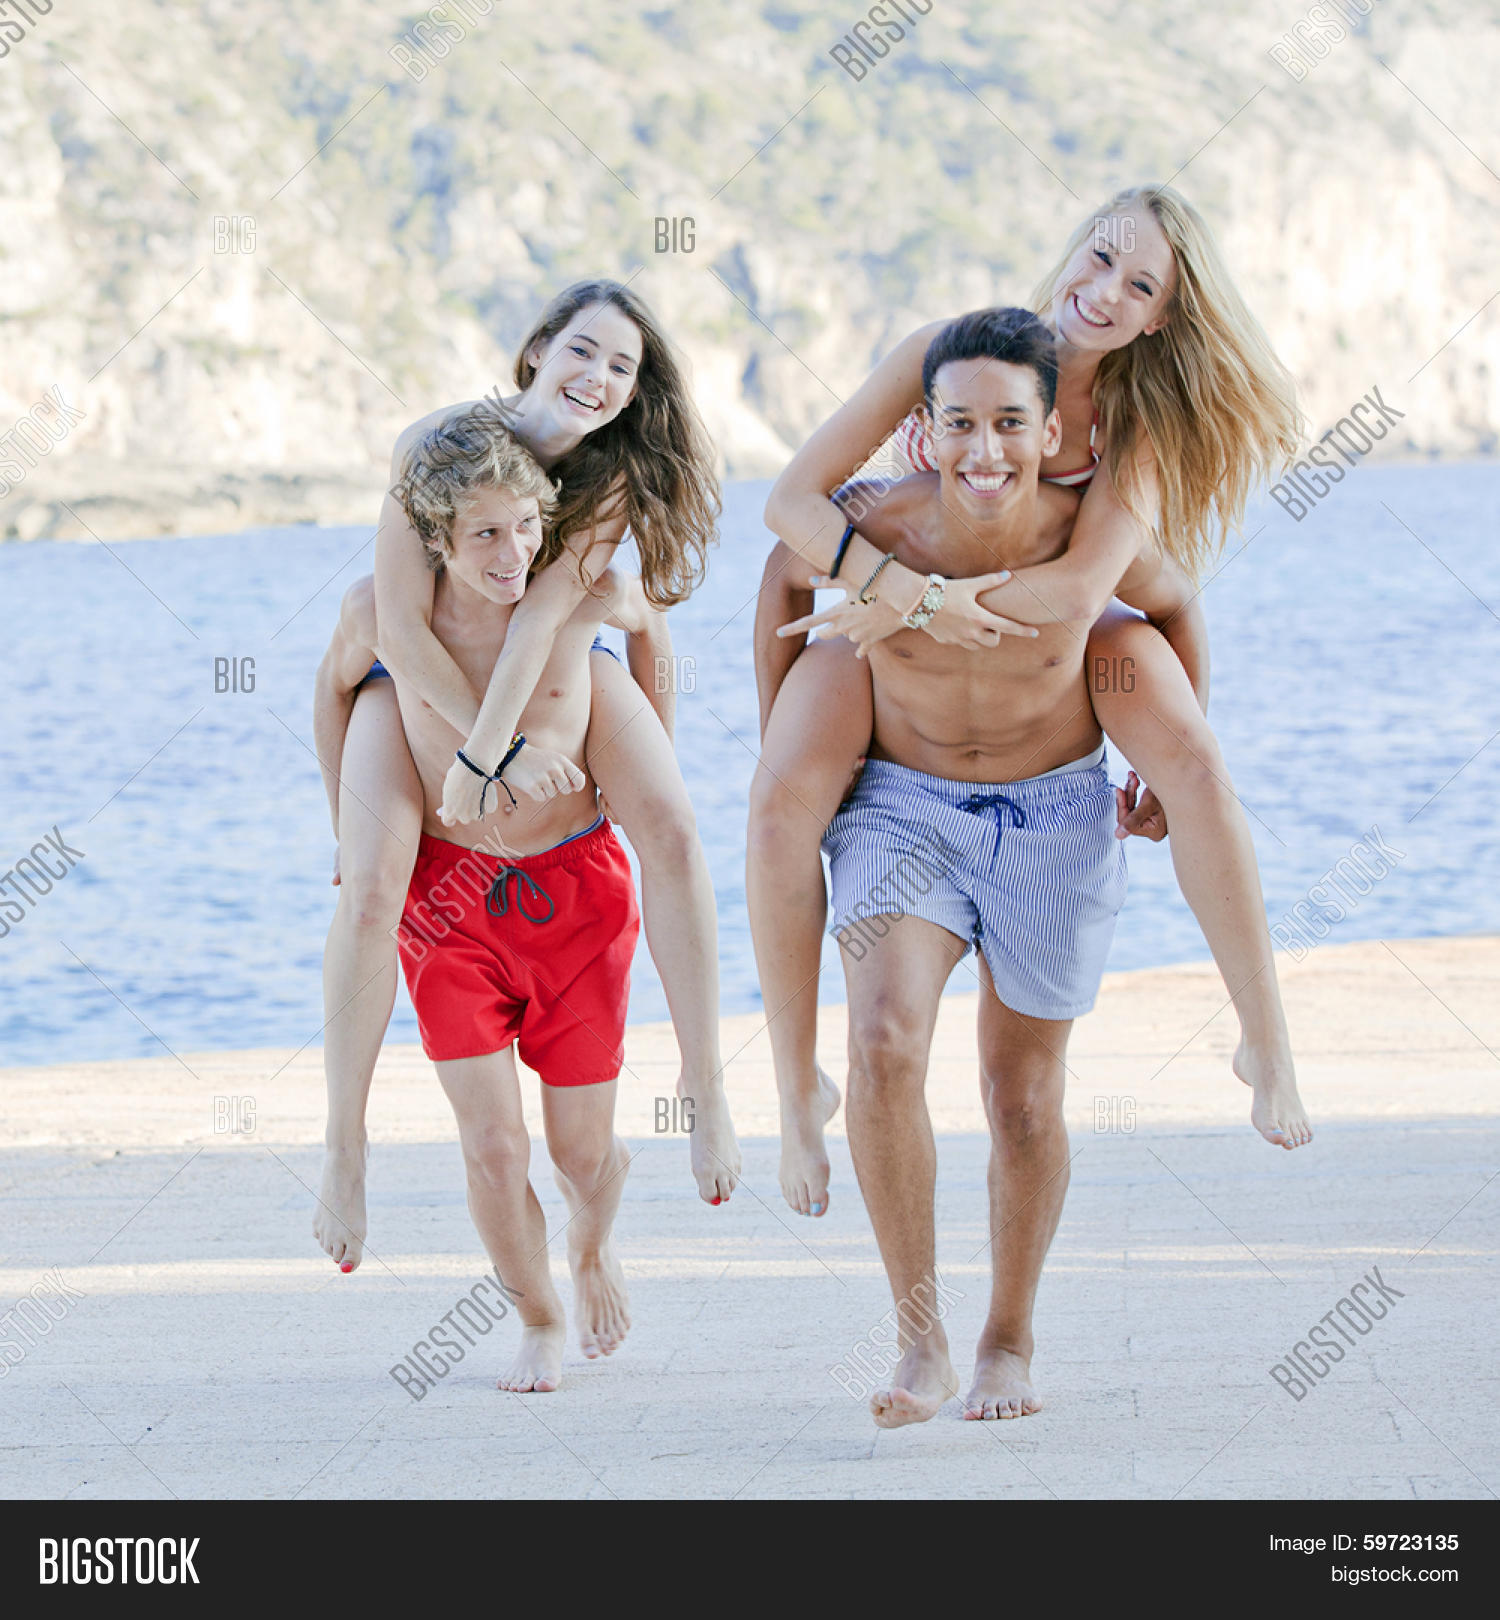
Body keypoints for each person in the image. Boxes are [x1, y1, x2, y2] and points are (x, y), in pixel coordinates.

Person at [753, 185, 1312, 1224]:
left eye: (1138, 286)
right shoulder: (958, 354)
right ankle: (796, 1089)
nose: (1103, 292)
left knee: (1196, 763)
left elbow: (1092, 591)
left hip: (1063, 642)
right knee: (778, 802)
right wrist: (899, 597)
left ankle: (1264, 1040)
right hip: (906, 631)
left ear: (1162, 318)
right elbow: (791, 509)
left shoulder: (1133, 428)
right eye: (1099, 258)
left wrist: (1157, 762)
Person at [819, 308, 1209, 1426]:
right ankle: (920, 1342)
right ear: (925, 430)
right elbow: (780, 571)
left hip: (1053, 814)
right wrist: (797, 750)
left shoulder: (1090, 533)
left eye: (1007, 425)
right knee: (882, 1041)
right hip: (903, 803)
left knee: (1022, 1099)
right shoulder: (879, 522)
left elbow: (1176, 603)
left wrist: (1165, 759)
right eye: (959, 424)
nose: (983, 449)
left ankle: (1009, 1339)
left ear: (1049, 434)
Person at [315, 281, 741, 1275]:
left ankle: (705, 1082)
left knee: (675, 833)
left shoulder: (608, 478)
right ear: (540, 347)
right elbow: (396, 629)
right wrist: (485, 754)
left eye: (623, 367)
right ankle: (344, 1142)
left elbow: (546, 620)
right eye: (583, 349)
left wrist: (507, 753)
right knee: (369, 892)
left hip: (548, 670)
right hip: (413, 683)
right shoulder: (435, 446)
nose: (597, 377)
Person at [316, 409, 647, 1389]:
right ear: (435, 539)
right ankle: (538, 1315)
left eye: (525, 528)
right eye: (484, 535)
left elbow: (652, 631)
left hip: (574, 896)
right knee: (494, 1147)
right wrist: (346, 828)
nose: (511, 555)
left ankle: (593, 1242)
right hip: (450, 904)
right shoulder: (384, 619)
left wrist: (649, 764)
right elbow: (330, 692)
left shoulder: (570, 600)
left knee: (583, 1154)